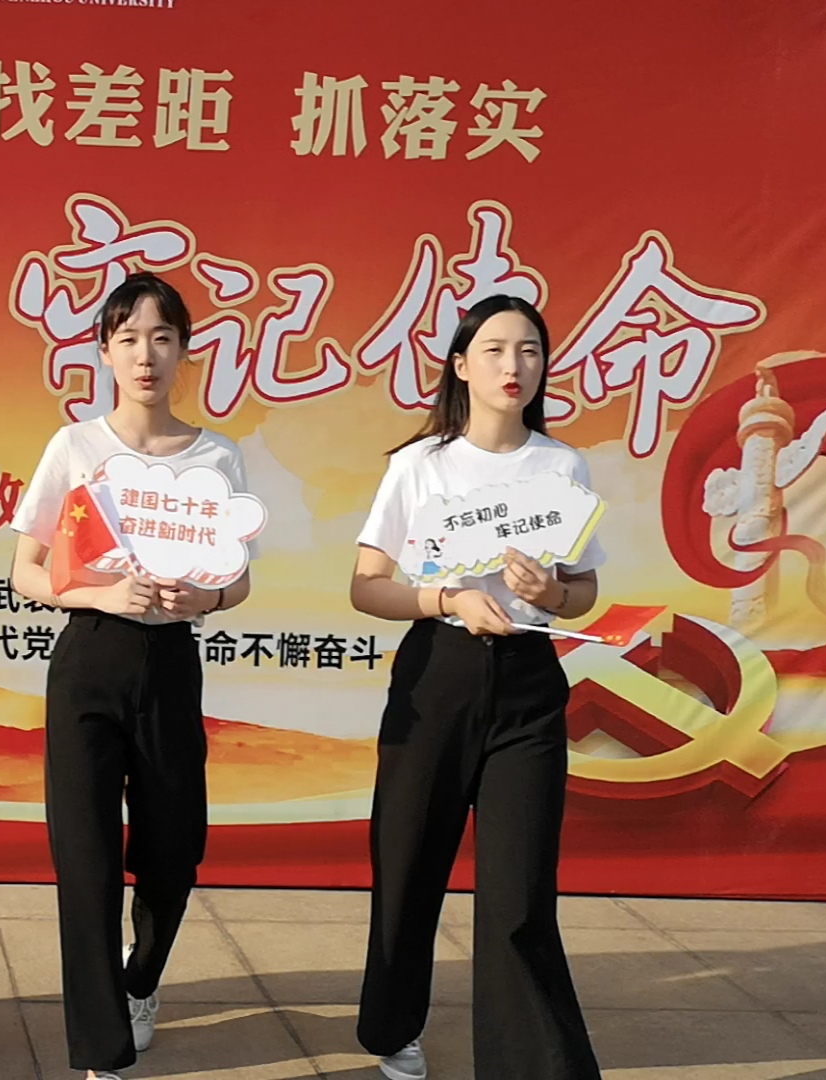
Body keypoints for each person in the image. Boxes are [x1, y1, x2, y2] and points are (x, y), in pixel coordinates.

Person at [349, 294, 603, 1080]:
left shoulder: (561, 467)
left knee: (519, 893)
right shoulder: (421, 465)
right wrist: (448, 599)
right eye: (494, 350)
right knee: (408, 866)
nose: (513, 366)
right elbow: (367, 586)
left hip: (529, 683)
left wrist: (551, 593)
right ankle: (393, 1029)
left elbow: (584, 589)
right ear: (461, 365)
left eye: (529, 350)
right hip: (439, 676)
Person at [9, 272, 255, 1080]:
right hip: (89, 658)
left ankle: (140, 978)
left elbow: (238, 580)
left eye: (161, 338)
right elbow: (26, 570)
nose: (145, 356)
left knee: (173, 852)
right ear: (105, 353)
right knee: (84, 861)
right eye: (128, 339)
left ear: (184, 351)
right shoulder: (76, 448)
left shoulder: (217, 456)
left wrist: (204, 597)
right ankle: (101, 1049)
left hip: (170, 663)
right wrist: (101, 593)